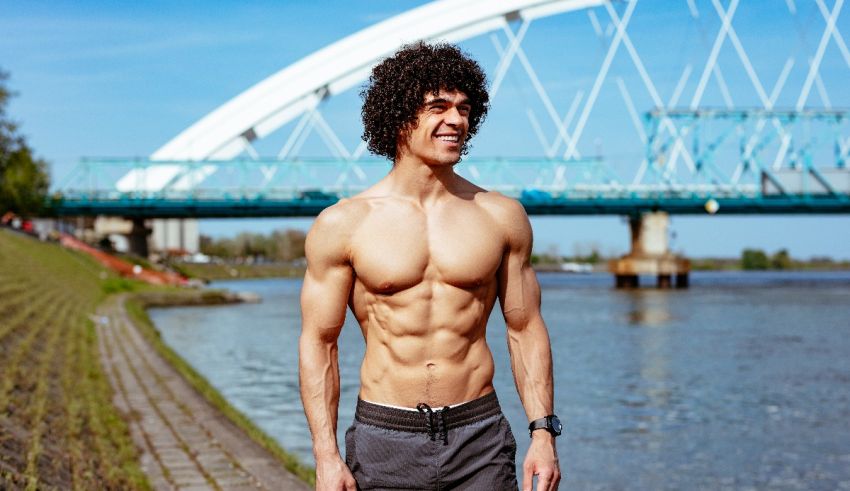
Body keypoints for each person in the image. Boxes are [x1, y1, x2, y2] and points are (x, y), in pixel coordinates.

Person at [299, 42, 561, 491]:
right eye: (438, 107)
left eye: (463, 108)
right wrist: (326, 455)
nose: (457, 120)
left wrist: (543, 433)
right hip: (385, 439)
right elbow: (320, 343)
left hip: (478, 436)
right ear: (400, 117)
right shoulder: (345, 223)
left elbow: (525, 328)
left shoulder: (500, 216)